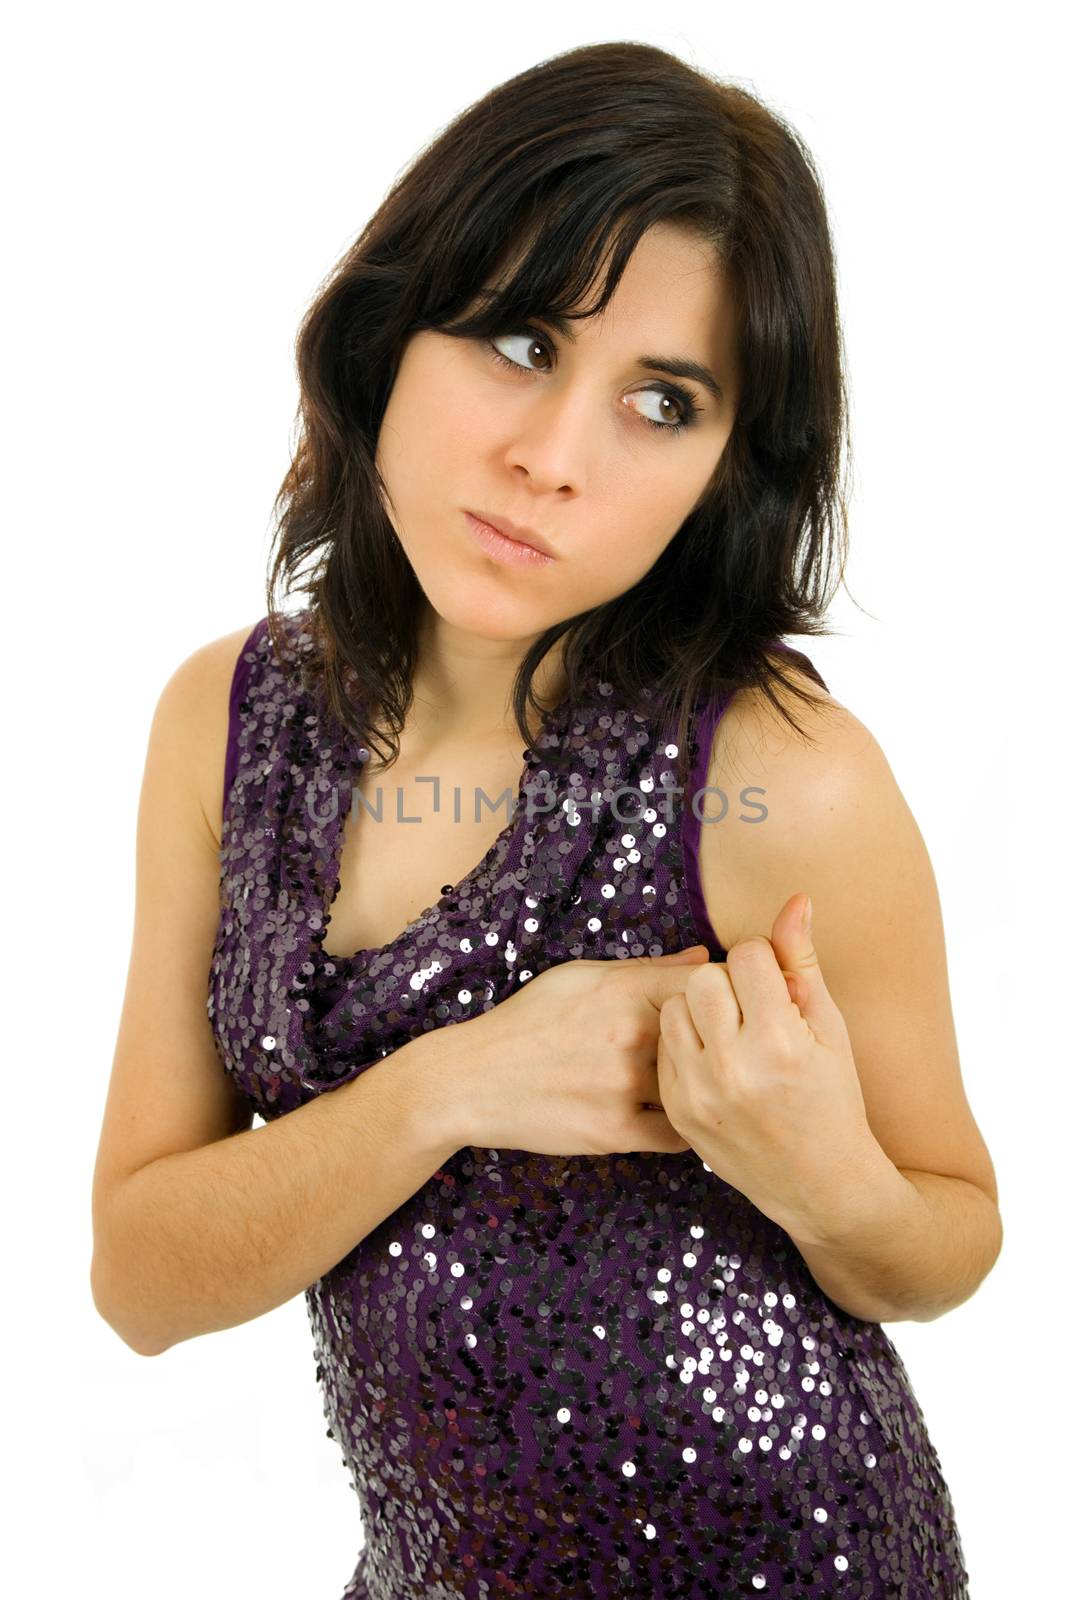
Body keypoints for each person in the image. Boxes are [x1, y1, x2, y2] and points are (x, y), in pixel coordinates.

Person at [90, 40, 1000, 1599]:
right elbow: (140, 1280)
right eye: (518, 340)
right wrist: (449, 1087)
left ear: (724, 470)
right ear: (392, 326)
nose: (553, 461)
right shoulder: (223, 723)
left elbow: (948, 1236)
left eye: (662, 401)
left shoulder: (783, 778)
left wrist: (819, 1173)